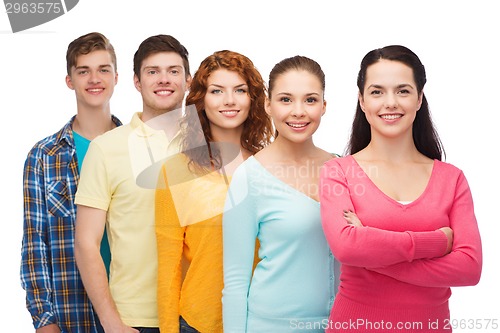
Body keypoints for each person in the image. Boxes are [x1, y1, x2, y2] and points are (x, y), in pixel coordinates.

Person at [320, 45, 482, 333]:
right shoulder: (338, 172)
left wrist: (373, 255)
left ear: (419, 99)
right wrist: (436, 242)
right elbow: (346, 247)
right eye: (377, 91)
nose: (390, 102)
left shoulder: (452, 179)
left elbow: (469, 268)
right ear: (361, 100)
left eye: (403, 91)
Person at [74, 34, 191, 333]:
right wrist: (111, 322)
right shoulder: (106, 148)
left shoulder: (208, 145)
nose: (164, 79)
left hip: (201, 314)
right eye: (153, 72)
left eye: (173, 71)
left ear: (188, 80)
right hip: (136, 320)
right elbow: (86, 243)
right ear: (137, 82)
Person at [155, 50, 273, 333]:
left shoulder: (272, 166)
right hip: (199, 322)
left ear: (253, 100)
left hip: (265, 320)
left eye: (240, 90)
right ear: (201, 100)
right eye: (217, 91)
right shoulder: (174, 171)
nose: (229, 100)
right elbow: (168, 268)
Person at [223, 55, 336, 332]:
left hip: (339, 323)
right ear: (268, 105)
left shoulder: (342, 169)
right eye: (286, 99)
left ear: (324, 106)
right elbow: (236, 281)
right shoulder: (248, 177)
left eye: (310, 100)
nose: (298, 111)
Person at [20, 32, 121, 333]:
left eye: (103, 69)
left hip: (131, 310)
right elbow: (34, 244)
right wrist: (44, 321)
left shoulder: (137, 148)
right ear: (70, 81)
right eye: (83, 71)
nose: (94, 79)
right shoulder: (43, 156)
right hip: (71, 314)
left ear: (117, 77)